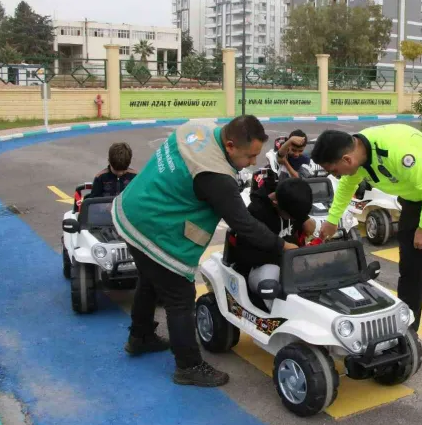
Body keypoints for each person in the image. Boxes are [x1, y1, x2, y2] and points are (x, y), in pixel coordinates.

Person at [111, 115, 299, 388]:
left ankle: (139, 338)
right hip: (152, 227)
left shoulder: (199, 127)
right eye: (250, 156)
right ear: (231, 146)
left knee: (151, 278)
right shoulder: (215, 175)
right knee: (180, 297)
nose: (253, 163)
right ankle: (188, 366)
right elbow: (243, 224)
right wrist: (281, 245)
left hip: (132, 208)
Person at [311, 124, 422, 380]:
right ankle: (406, 335)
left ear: (347, 158)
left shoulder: (396, 152)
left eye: (333, 170)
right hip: (414, 201)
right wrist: (332, 220)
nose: (334, 176)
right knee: (410, 274)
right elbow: (348, 184)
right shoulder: (358, 156)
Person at [232, 177, 315, 310]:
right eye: (292, 217)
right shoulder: (256, 212)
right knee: (271, 281)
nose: (294, 220)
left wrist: (306, 220)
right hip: (261, 267)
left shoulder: (289, 201)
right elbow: (245, 255)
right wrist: (282, 251)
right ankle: (279, 316)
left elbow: (297, 215)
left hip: (291, 262)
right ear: (275, 203)